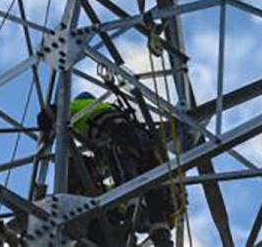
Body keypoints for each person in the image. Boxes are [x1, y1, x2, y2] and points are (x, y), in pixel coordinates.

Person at [39, 92, 174, 247]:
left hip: (116, 134)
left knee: (125, 172)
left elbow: (47, 113)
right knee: (150, 182)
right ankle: (160, 232)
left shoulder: (75, 107)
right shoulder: (108, 106)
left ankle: (134, 212)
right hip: (142, 138)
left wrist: (45, 134)